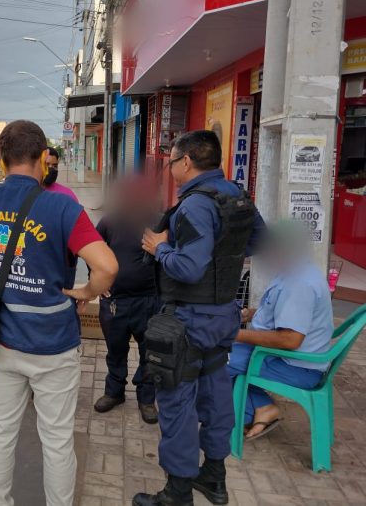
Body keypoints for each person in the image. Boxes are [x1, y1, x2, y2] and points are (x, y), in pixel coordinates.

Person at [0, 120, 118, 506]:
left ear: (2, 159)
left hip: (1, 340)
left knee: (0, 431)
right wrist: (85, 292)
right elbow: (107, 267)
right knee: (56, 439)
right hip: (53, 345)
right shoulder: (62, 208)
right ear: (41, 159)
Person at [137, 130, 264, 506]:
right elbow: (258, 242)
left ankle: (177, 493)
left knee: (177, 405)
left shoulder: (194, 205)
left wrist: (160, 249)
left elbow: (189, 268)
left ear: (186, 162)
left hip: (188, 321)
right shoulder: (236, 195)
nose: (170, 168)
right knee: (215, 395)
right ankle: (215, 478)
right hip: (223, 316)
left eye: (171, 161)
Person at [228, 222, 334, 440]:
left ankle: (252, 411)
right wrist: (253, 314)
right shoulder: (295, 270)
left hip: (293, 365)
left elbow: (290, 339)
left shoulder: (300, 284)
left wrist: (234, 335)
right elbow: (287, 313)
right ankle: (258, 407)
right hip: (287, 358)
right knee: (217, 353)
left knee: (213, 359)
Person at [93, 176, 161, 423]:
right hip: (115, 302)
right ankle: (114, 392)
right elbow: (92, 251)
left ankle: (146, 399)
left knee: (150, 353)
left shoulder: (158, 223)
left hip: (149, 301)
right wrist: (97, 282)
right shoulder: (110, 222)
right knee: (115, 351)